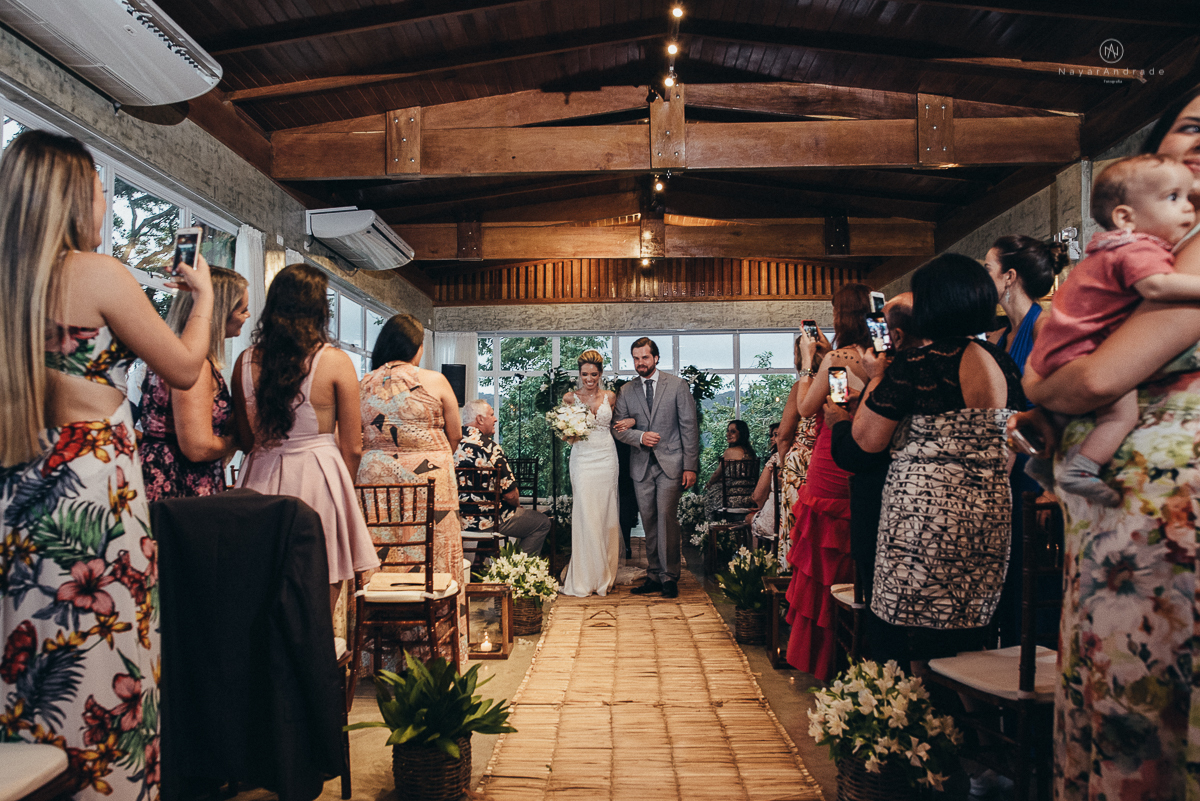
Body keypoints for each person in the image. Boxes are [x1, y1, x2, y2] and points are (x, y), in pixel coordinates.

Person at [0, 130, 215, 801]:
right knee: (103, 650)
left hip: (18, 483)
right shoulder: (97, 274)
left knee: (30, 653)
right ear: (73, 197)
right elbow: (184, 368)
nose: (103, 203)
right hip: (92, 494)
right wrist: (202, 298)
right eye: (98, 190)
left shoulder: (9, 281)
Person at [1016, 88, 1200, 801]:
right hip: (1124, 525)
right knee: (1125, 701)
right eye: (1190, 126)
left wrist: (1040, 384)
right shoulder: (1151, 250)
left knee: (1148, 711)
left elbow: (1098, 375)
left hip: (1166, 527)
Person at [852, 254, 1023, 671]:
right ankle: (962, 704)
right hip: (989, 513)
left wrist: (876, 376)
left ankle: (919, 706)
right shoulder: (1002, 361)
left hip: (923, 522)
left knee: (912, 631)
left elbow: (867, 440)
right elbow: (1014, 440)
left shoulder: (919, 364)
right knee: (968, 632)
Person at [1026, 154, 1197, 505]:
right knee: (1120, 414)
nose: (1187, 207)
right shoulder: (1138, 248)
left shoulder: (1110, 249)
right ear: (1125, 217)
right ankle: (1082, 469)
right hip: (1080, 350)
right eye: (1173, 197)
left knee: (1067, 414)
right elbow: (1157, 287)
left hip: (1059, 350)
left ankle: (1042, 465)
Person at [232, 263, 379, 618]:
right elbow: (353, 446)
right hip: (319, 479)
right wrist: (343, 493)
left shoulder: (244, 361)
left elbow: (245, 439)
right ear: (319, 309)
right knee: (318, 595)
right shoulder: (334, 361)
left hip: (259, 479)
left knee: (261, 593)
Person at [981, 236, 1067, 648]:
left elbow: (1059, 406)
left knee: (1026, 582)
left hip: (1033, 475)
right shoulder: (998, 337)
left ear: (1009, 277)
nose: (983, 278)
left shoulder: (1044, 327)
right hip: (1000, 473)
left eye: (988, 269)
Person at [785, 283, 872, 680]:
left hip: (830, 461)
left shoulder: (837, 360)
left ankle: (826, 655)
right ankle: (857, 648)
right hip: (863, 457)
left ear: (841, 316)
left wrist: (809, 361)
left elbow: (807, 407)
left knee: (824, 559)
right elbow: (842, 402)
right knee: (853, 550)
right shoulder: (878, 359)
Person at [826, 292, 915, 657]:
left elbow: (860, 449)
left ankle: (886, 672)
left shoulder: (897, 374)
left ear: (899, 335)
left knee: (880, 592)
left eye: (883, 327)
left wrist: (840, 422)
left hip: (883, 497)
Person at [139, 266, 249, 500]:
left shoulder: (171, 354)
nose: (247, 316)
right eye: (243, 310)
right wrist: (234, 440)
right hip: (179, 484)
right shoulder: (196, 366)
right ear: (221, 312)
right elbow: (197, 448)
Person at [613, 337, 700, 599]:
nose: (640, 363)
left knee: (665, 517)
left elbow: (689, 427)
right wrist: (640, 436)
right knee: (648, 520)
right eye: (636, 358)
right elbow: (618, 429)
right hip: (641, 466)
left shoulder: (677, 385)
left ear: (656, 358)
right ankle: (653, 574)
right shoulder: (626, 390)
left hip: (671, 464)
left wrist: (690, 466)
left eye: (645, 357)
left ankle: (669, 576)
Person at [557, 350, 629, 596]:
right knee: (586, 513)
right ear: (579, 374)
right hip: (583, 459)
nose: (589, 379)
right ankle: (586, 576)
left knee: (606, 514)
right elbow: (565, 435)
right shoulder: (570, 398)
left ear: (600, 374)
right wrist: (570, 431)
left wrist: (631, 422)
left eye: (594, 374)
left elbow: (619, 423)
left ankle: (604, 574)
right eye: (585, 374)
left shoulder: (610, 396)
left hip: (607, 458)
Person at [454, 399, 551, 557]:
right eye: (492, 415)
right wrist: (517, 507)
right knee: (542, 523)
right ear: (480, 419)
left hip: (457, 519)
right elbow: (510, 495)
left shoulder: (450, 445)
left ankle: (483, 564)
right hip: (489, 520)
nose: (495, 419)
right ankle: (519, 567)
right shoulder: (490, 448)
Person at [774, 333, 828, 558]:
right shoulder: (834, 382)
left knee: (796, 521)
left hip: (800, 462)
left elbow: (784, 434)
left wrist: (783, 463)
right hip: (825, 459)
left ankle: (793, 568)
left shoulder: (801, 387)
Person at [703, 419, 758, 520]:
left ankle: (713, 524)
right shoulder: (751, 453)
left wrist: (709, 483)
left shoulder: (730, 452)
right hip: (751, 497)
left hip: (732, 498)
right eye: (728, 431)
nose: (728, 434)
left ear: (741, 434)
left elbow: (717, 474)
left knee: (710, 494)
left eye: (733, 432)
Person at [746, 423, 781, 543]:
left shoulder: (775, 459)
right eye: (771, 435)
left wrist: (760, 506)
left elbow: (758, 496)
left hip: (776, 520)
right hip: (797, 520)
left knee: (749, 518)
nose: (772, 438)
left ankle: (756, 554)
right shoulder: (802, 458)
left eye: (776, 435)